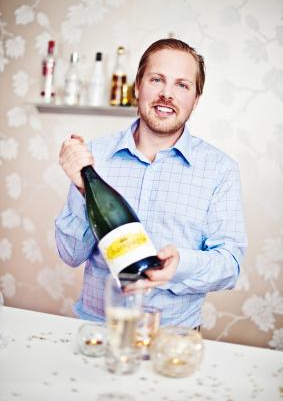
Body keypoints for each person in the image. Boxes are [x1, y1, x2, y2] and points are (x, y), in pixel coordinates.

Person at [55, 38, 247, 328]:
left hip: (172, 337)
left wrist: (179, 267)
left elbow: (229, 266)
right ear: (137, 87)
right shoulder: (94, 157)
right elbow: (71, 255)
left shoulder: (220, 170)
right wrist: (84, 188)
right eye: (157, 79)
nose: (166, 94)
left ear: (195, 100)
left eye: (182, 85)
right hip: (96, 329)